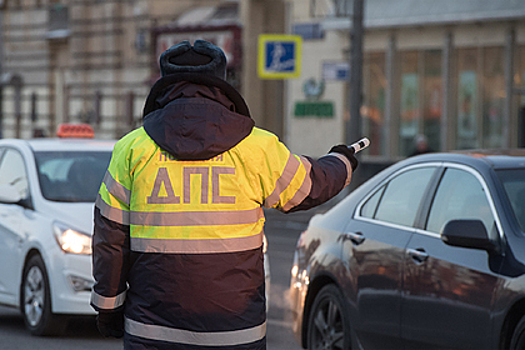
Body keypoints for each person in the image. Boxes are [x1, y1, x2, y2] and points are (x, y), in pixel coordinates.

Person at [90, 40, 358, 350]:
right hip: (235, 332)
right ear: (221, 83)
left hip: (152, 332)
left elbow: (110, 240)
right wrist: (342, 160)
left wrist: (109, 307)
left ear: (164, 84)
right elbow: (310, 186)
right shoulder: (256, 147)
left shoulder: (132, 150)